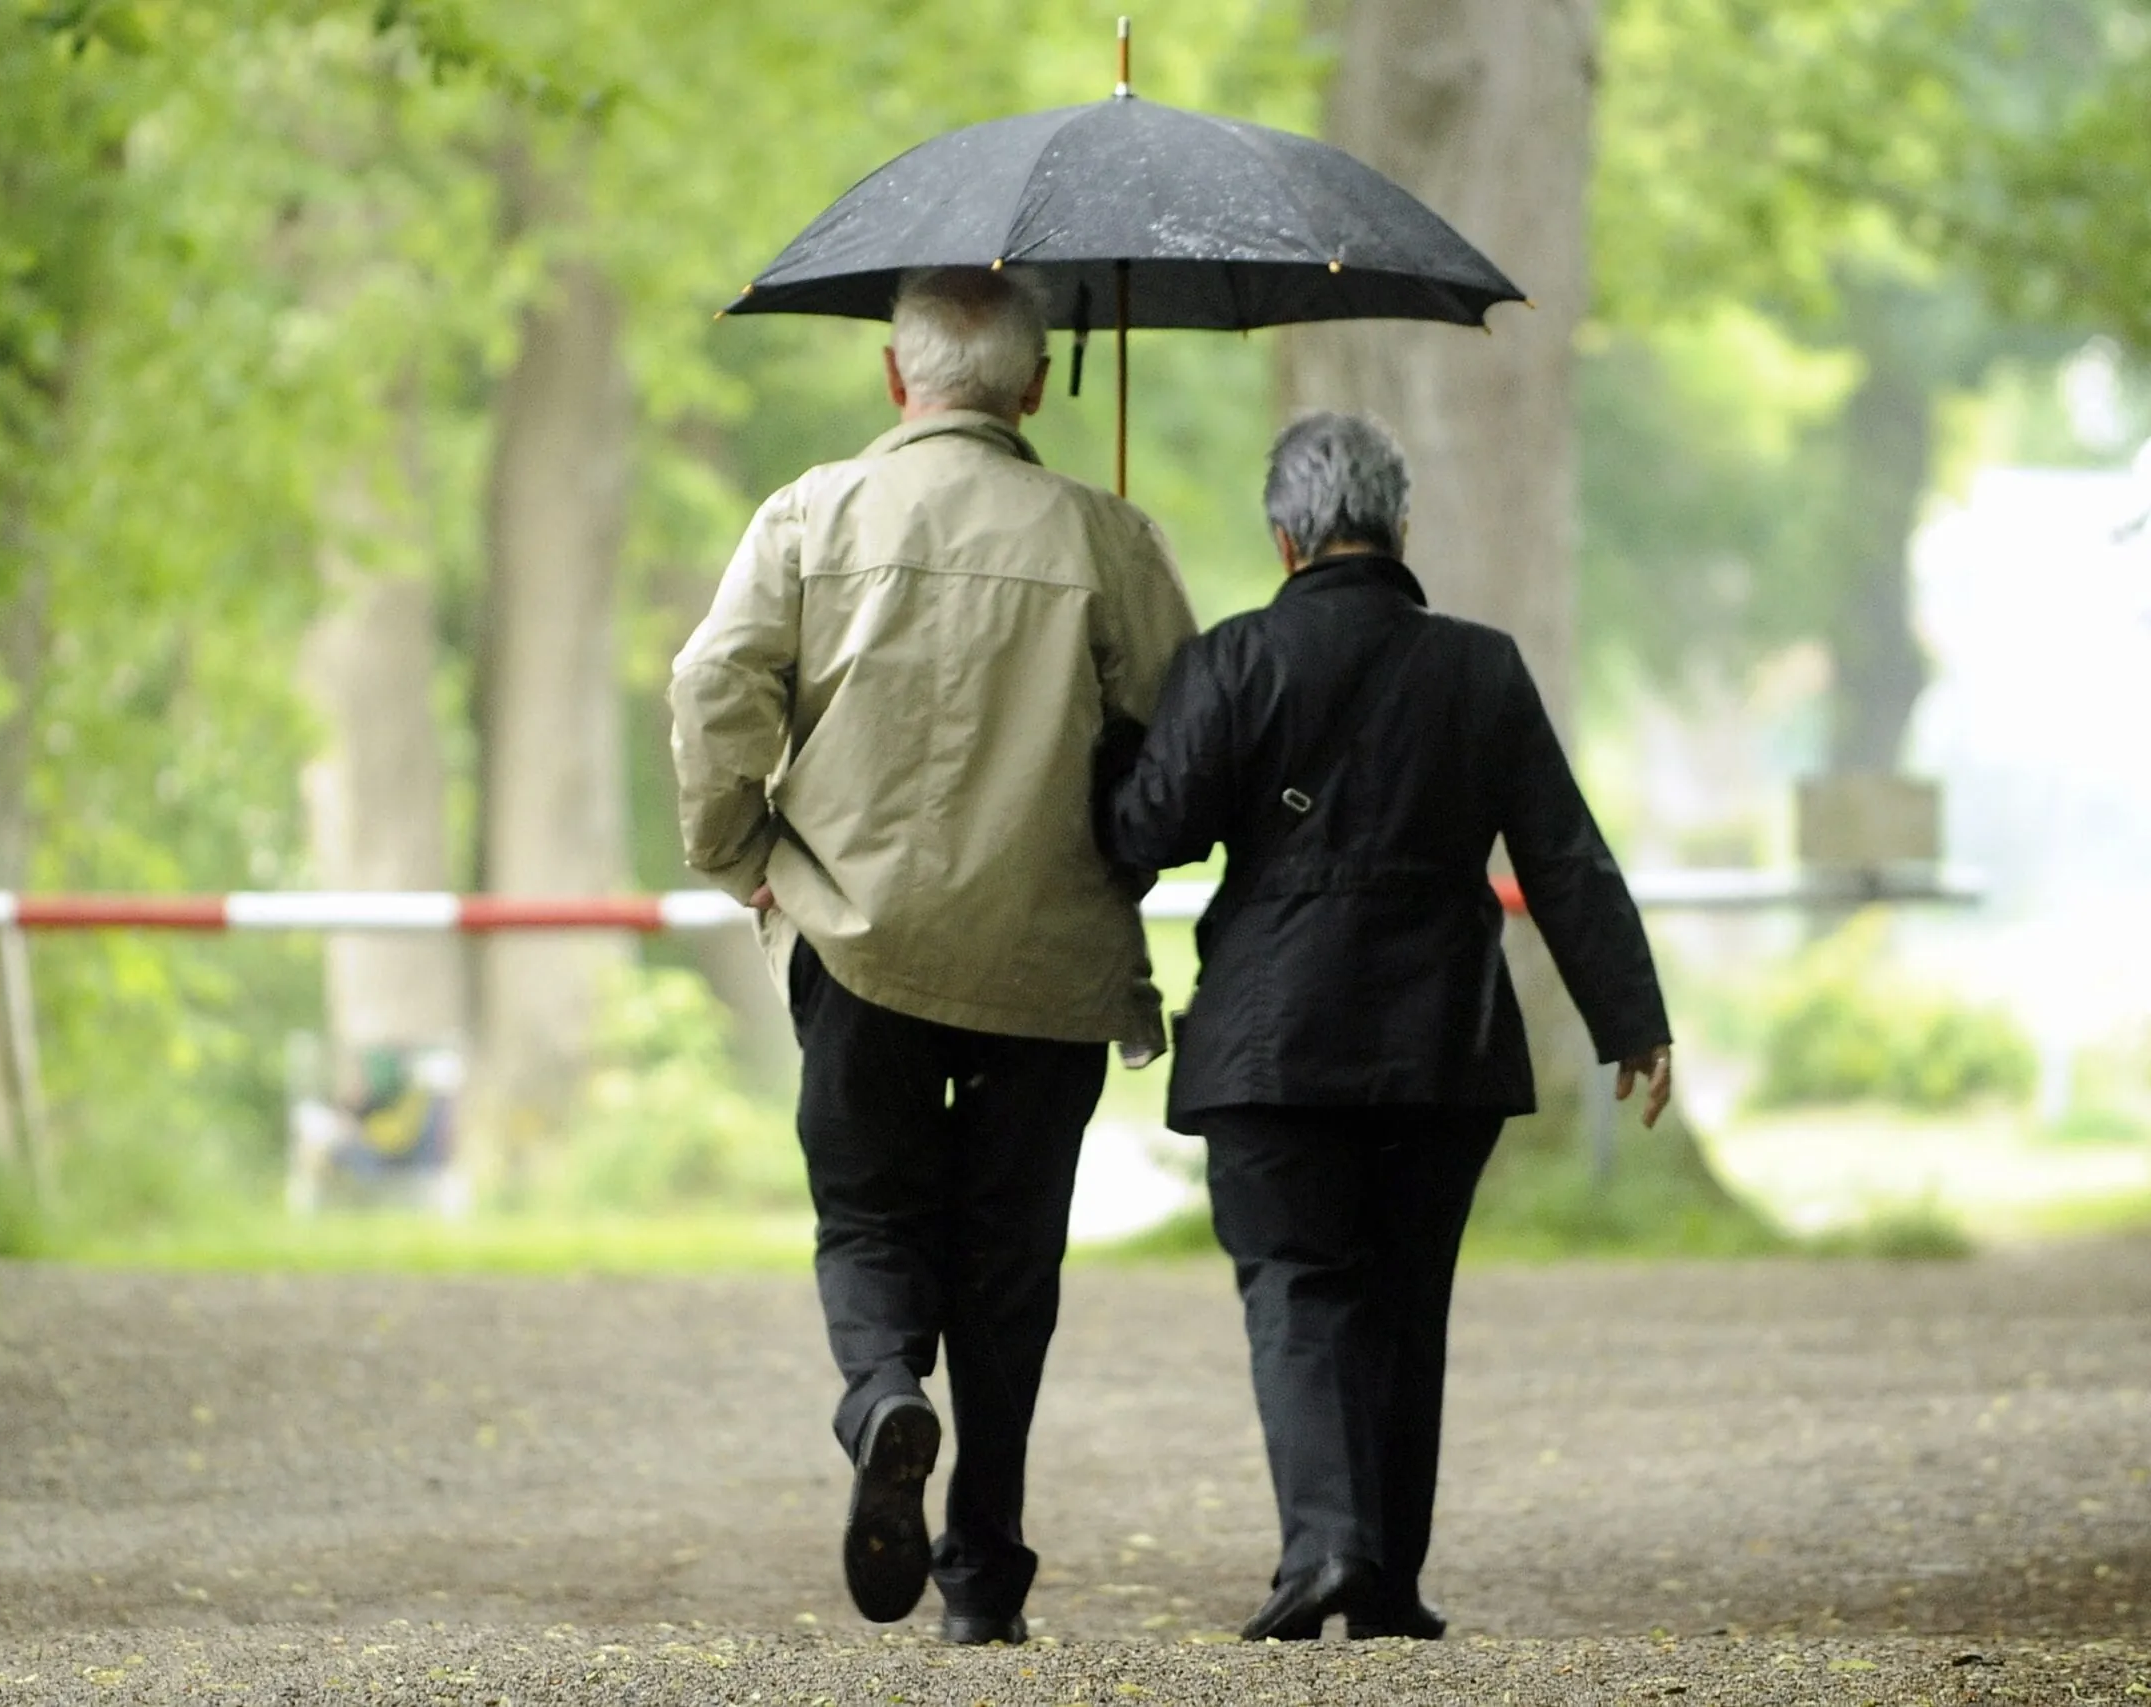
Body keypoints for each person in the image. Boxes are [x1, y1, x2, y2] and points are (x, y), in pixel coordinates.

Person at [669, 266, 1198, 1645]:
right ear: (1032, 387)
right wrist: (1133, 837)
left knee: (869, 1219)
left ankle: (886, 1394)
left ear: (898, 381)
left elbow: (713, 682)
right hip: (1049, 955)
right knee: (1012, 1258)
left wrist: (739, 850)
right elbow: (1186, 743)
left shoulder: (809, 514)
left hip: (859, 942)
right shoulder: (1105, 534)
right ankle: (984, 1573)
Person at [1097, 410, 1674, 1643]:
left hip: (1270, 1040)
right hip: (1437, 1038)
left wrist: (1128, 736)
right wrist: (1630, 1018)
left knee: (1298, 1288)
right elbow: (1563, 857)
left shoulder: (1235, 657)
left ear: (1283, 534)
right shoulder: (1480, 666)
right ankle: (1389, 1579)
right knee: (1409, 1300)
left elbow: (1148, 836)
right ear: (1400, 527)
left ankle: (1323, 1553)